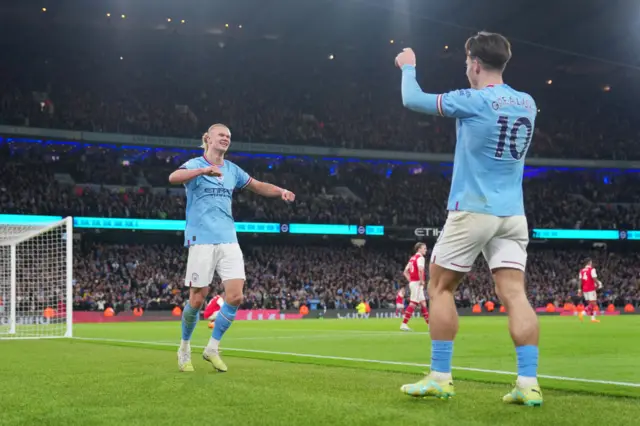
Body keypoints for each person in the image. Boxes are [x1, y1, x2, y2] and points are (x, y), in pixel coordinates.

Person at [395, 32, 542, 406]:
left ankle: (441, 377)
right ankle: (528, 383)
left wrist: (408, 64)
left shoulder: (473, 100)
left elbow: (411, 99)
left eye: (466, 64)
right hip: (513, 213)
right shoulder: (527, 102)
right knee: (514, 294)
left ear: (475, 64)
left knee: (441, 288)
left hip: (473, 208)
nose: (466, 70)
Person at [169, 123, 295, 373]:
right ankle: (184, 348)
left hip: (228, 238)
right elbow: (173, 178)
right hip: (201, 238)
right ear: (208, 138)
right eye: (221, 135)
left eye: (228, 136)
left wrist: (280, 190)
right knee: (197, 298)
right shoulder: (195, 164)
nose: (226, 139)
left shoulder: (233, 170)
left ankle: (212, 348)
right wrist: (204, 170)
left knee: (236, 296)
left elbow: (257, 185)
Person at [400, 243, 429, 331]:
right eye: (424, 248)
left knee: (423, 303)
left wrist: (411, 280)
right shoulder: (420, 258)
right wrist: (421, 280)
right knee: (413, 302)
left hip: (414, 282)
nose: (426, 250)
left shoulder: (412, 258)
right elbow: (420, 270)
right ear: (419, 249)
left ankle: (430, 325)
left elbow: (405, 272)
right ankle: (404, 324)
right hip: (417, 283)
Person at [578, 258, 603, 323]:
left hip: (584, 289)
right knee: (593, 304)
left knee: (590, 304)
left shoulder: (582, 271)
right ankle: (582, 313)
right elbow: (594, 278)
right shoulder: (592, 269)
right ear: (589, 262)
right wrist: (598, 284)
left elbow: (580, 281)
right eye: (591, 262)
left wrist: (579, 290)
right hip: (591, 288)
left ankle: (592, 319)